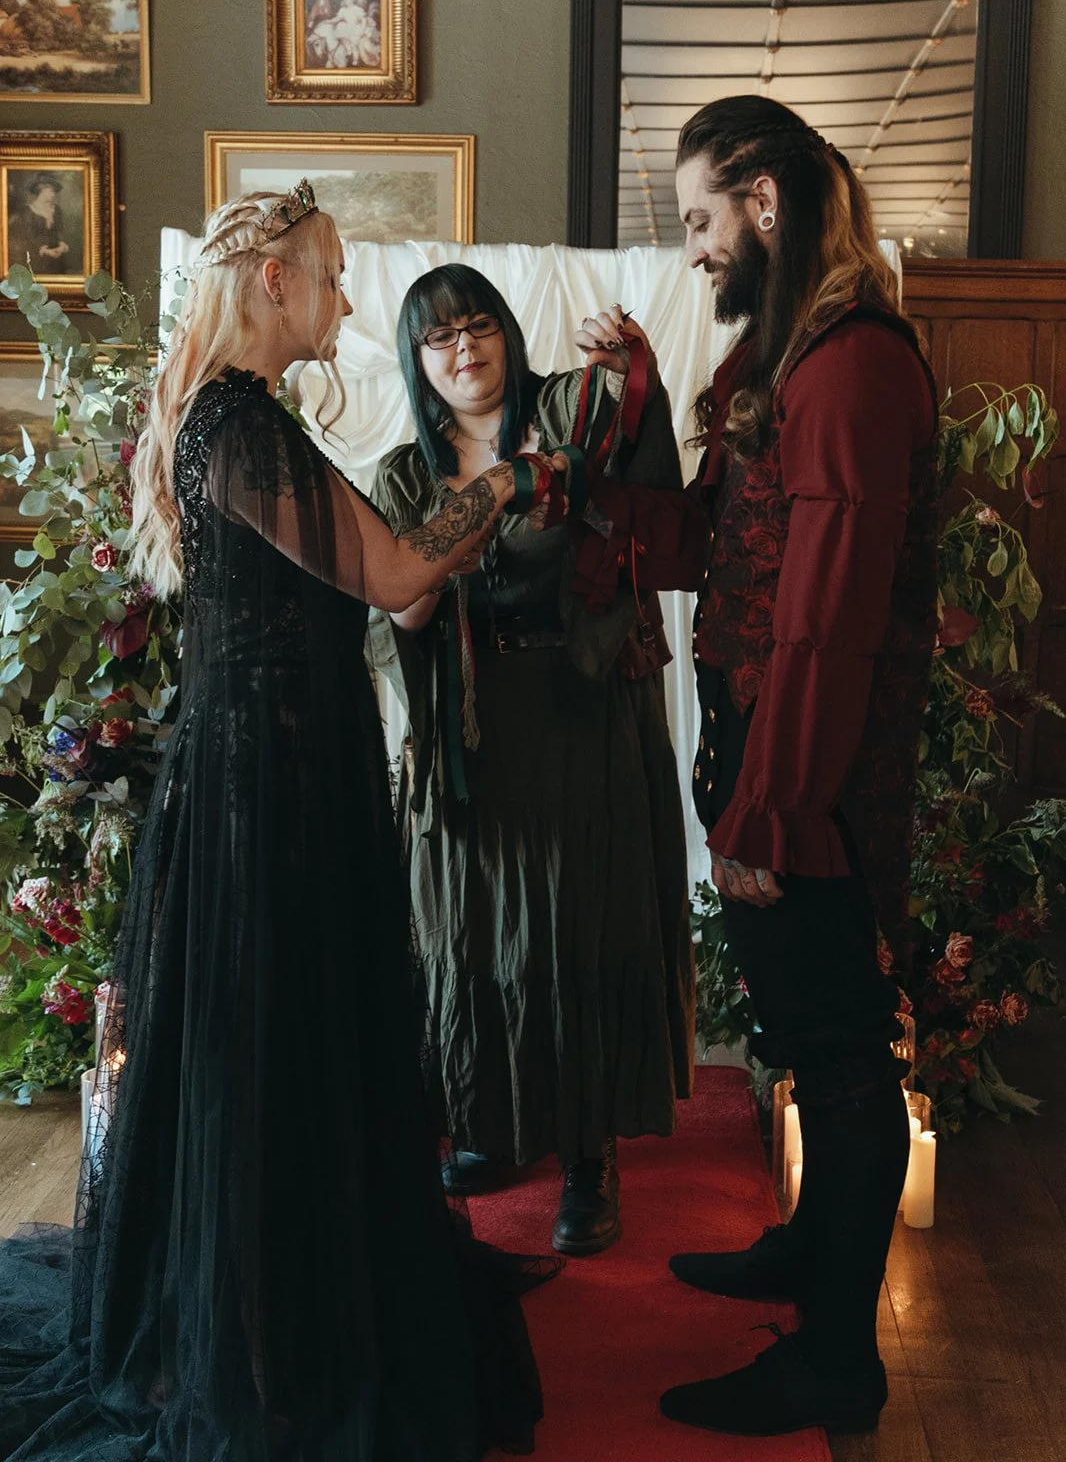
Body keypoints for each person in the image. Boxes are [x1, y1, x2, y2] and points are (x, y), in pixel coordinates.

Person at [0, 185, 554, 1461]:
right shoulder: (237, 424)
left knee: (286, 1050)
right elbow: (403, 572)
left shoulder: (238, 421)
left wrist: (453, 528)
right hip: (267, 791)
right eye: (333, 274)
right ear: (272, 282)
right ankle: (268, 1343)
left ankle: (288, 1306)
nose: (346, 299)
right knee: (269, 1053)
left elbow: (391, 594)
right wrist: (512, 477)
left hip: (279, 775)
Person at [568, 97, 938, 1435]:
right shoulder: (781, 356)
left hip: (808, 779)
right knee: (803, 1040)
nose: (692, 250)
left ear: (764, 202)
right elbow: (708, 546)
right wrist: (624, 426)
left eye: (698, 219)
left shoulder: (854, 363)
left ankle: (839, 1359)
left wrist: (773, 809)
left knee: (840, 1059)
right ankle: (807, 1257)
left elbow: (827, 619)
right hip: (758, 752)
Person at [369, 264, 697, 1257]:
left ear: (507, 334)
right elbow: (392, 615)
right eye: (439, 338)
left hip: (579, 711)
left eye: (477, 327)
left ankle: (588, 1155)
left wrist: (630, 363)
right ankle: (492, 1121)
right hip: (470, 734)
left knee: (577, 927)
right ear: (418, 362)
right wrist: (431, 576)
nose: (462, 349)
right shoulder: (404, 474)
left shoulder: (564, 414)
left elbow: (646, 480)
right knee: (476, 936)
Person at [7, 173, 71, 274]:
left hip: (57, 256)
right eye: (51, 191)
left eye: (54, 191)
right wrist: (45, 251)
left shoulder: (56, 210)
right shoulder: (27, 211)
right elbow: (29, 237)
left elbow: (59, 231)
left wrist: (61, 245)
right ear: (42, 190)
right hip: (37, 257)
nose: (53, 194)